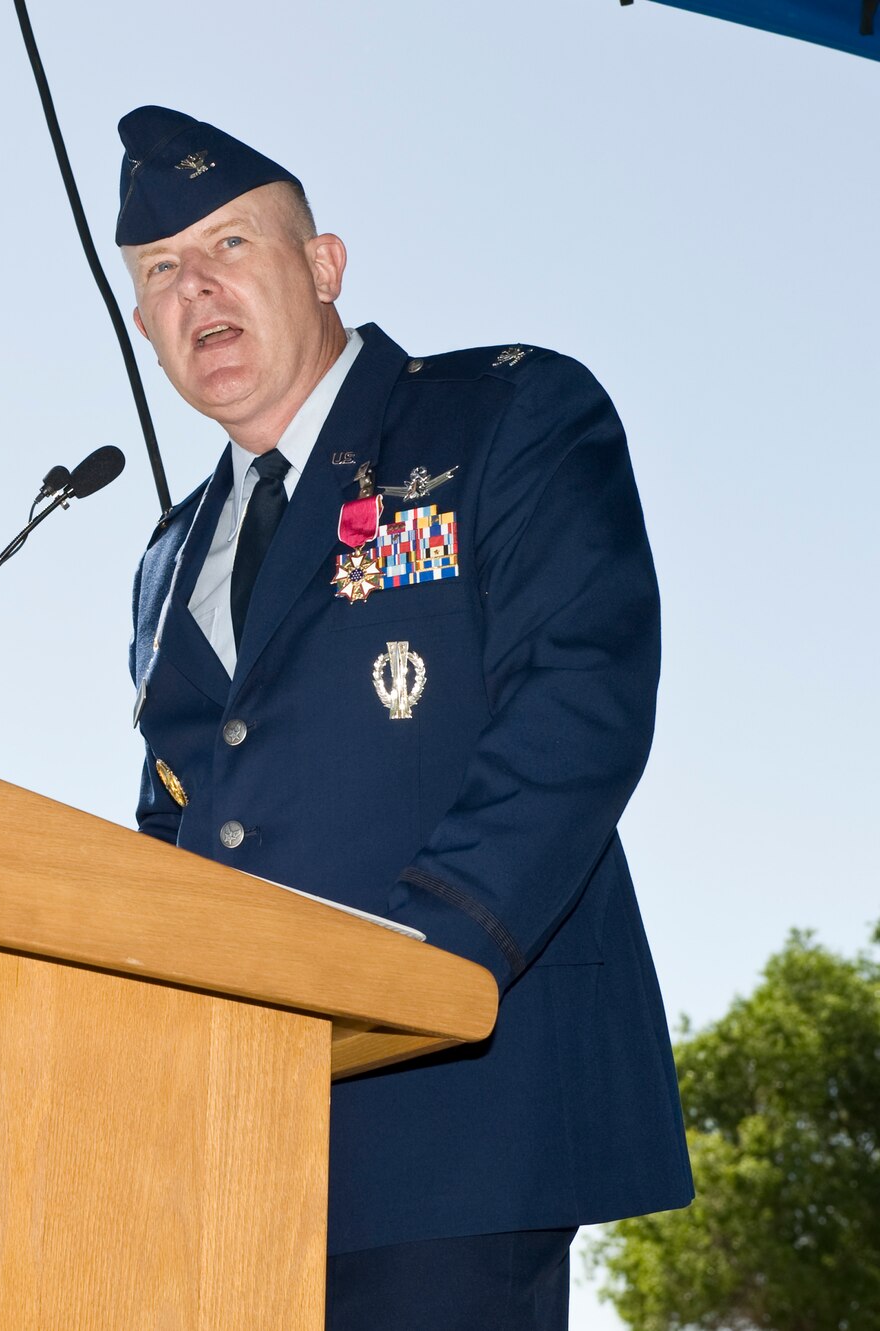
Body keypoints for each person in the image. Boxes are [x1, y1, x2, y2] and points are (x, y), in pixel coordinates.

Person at [116, 105, 693, 1329]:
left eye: (227, 243)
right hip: (237, 1134)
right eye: (160, 270)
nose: (193, 286)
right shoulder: (170, 551)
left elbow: (576, 695)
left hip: (456, 1099)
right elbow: (174, 816)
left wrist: (416, 965)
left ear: (323, 266)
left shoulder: (500, 414)